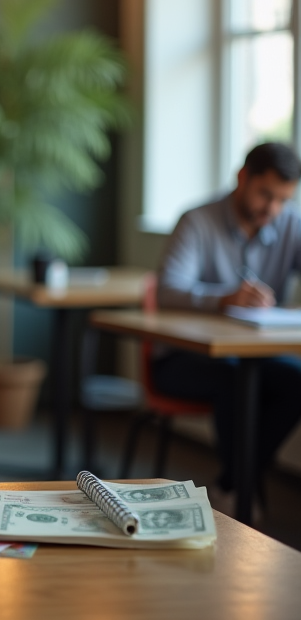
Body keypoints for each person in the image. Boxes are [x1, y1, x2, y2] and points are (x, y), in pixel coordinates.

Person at [155, 141, 301, 509]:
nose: (272, 209)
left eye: (283, 200)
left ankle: (231, 484)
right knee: (233, 378)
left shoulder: (288, 224)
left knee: (295, 380)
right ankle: (239, 491)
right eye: (265, 194)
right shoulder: (197, 221)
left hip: (251, 355)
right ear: (242, 178)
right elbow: (167, 290)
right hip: (181, 358)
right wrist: (225, 298)